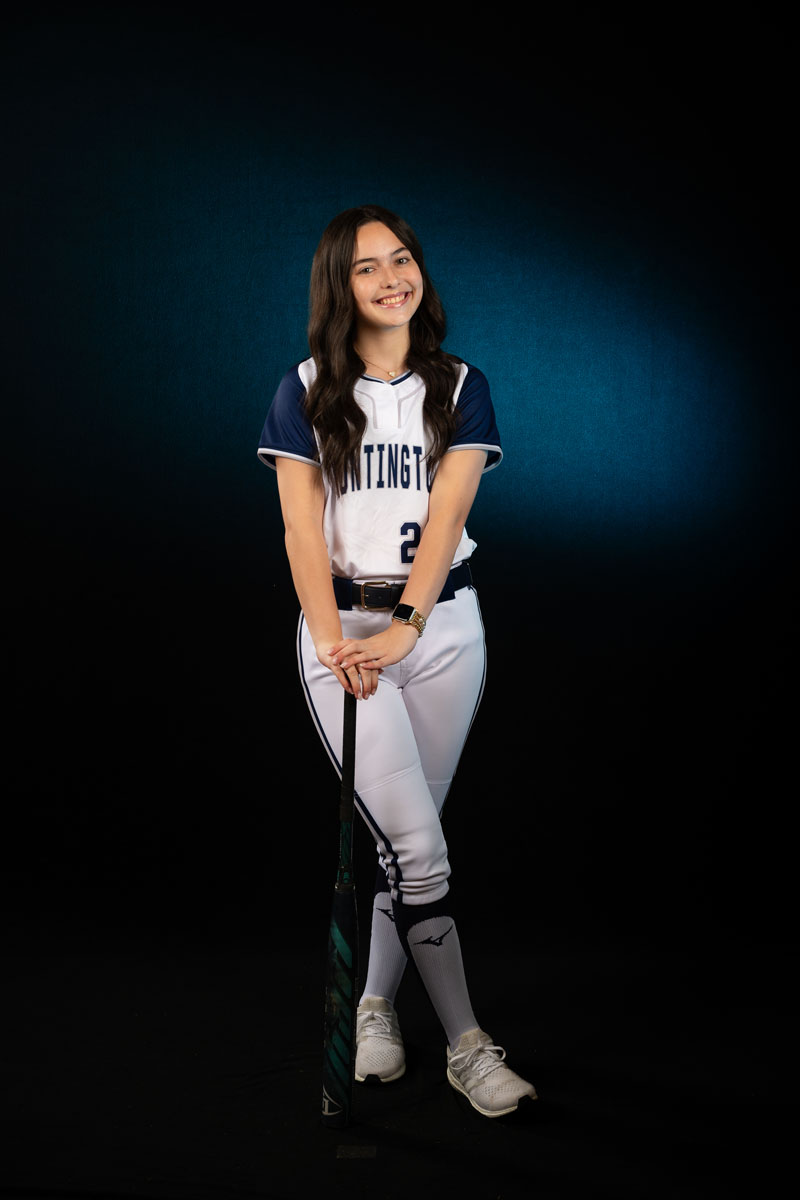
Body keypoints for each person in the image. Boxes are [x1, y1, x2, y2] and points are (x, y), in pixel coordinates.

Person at [257, 205, 536, 1118]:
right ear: (339, 286)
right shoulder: (305, 387)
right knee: (418, 846)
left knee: (405, 845)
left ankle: (374, 1006)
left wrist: (406, 629)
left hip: (442, 629)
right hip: (344, 632)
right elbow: (301, 529)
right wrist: (333, 641)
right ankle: (466, 1043)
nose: (391, 278)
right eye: (367, 266)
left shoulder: (459, 384)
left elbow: (449, 514)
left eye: (402, 259)